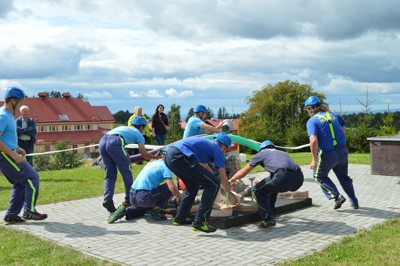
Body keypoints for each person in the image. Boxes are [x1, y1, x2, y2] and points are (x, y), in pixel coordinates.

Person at [164, 132, 232, 233]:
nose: (225, 151)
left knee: (193, 186)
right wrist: (227, 189)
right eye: (225, 149)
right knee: (213, 185)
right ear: (223, 146)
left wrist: (213, 179)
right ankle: (200, 222)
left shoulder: (208, 144)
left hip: (169, 157)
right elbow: (223, 175)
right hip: (180, 157)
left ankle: (180, 218)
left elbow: (205, 167)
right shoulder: (218, 149)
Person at [230, 140, 304, 229]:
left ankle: (268, 218)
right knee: (271, 188)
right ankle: (271, 211)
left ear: (261, 149)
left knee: (257, 189)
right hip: (299, 178)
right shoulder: (282, 153)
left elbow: (242, 173)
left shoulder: (261, 154)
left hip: (282, 176)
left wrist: (231, 180)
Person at [0, 86, 47, 223]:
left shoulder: (8, 116)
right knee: (32, 177)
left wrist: (18, 148)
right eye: (20, 102)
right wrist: (13, 154)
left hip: (9, 153)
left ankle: (11, 215)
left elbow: (6, 137)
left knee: (20, 183)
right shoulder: (3, 116)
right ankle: (29, 211)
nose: (21, 105)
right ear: (13, 101)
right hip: (6, 156)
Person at [304, 96, 359, 210]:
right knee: (344, 177)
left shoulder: (312, 121)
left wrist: (314, 159)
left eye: (307, 109)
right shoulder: (333, 115)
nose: (308, 112)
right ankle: (354, 201)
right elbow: (343, 128)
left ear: (310, 108)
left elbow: (313, 140)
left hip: (328, 154)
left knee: (318, 175)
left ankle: (336, 196)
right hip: (342, 151)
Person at [99, 117, 160, 215]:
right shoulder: (138, 134)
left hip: (102, 141)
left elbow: (107, 141)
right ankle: (129, 199)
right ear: (141, 127)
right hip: (115, 142)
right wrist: (154, 157)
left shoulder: (124, 128)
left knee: (110, 175)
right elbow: (144, 154)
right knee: (127, 171)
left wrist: (101, 155)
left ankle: (108, 200)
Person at [108, 159, 182, 223]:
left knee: (145, 207)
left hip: (132, 196)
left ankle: (126, 211)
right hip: (144, 197)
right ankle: (156, 211)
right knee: (167, 186)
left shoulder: (152, 163)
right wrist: (181, 198)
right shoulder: (166, 166)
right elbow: (171, 187)